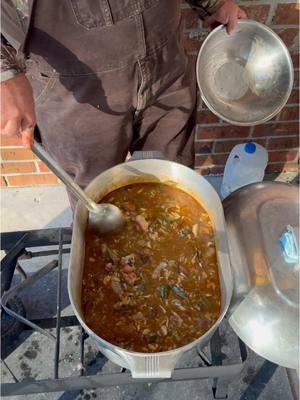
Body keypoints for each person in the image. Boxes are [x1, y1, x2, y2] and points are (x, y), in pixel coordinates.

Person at [1, 0, 247, 207]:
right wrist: (4, 73)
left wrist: (213, 3)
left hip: (167, 63)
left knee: (173, 183)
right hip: (74, 91)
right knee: (96, 199)